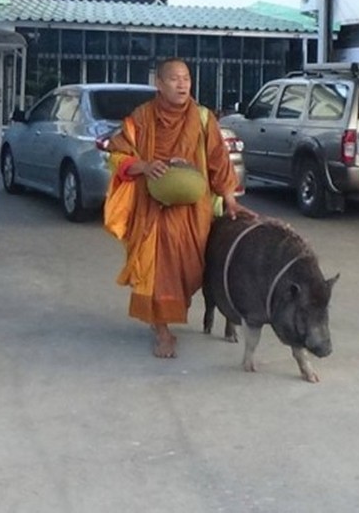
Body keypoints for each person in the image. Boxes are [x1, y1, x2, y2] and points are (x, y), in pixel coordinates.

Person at [105, 58, 258, 358]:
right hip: (152, 211)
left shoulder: (202, 119)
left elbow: (218, 160)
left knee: (188, 271)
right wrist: (145, 166)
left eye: (186, 78)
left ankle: (167, 313)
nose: (182, 84)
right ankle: (162, 330)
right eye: (174, 78)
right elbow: (117, 153)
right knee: (157, 269)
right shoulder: (142, 118)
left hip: (192, 212)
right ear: (158, 84)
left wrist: (229, 198)